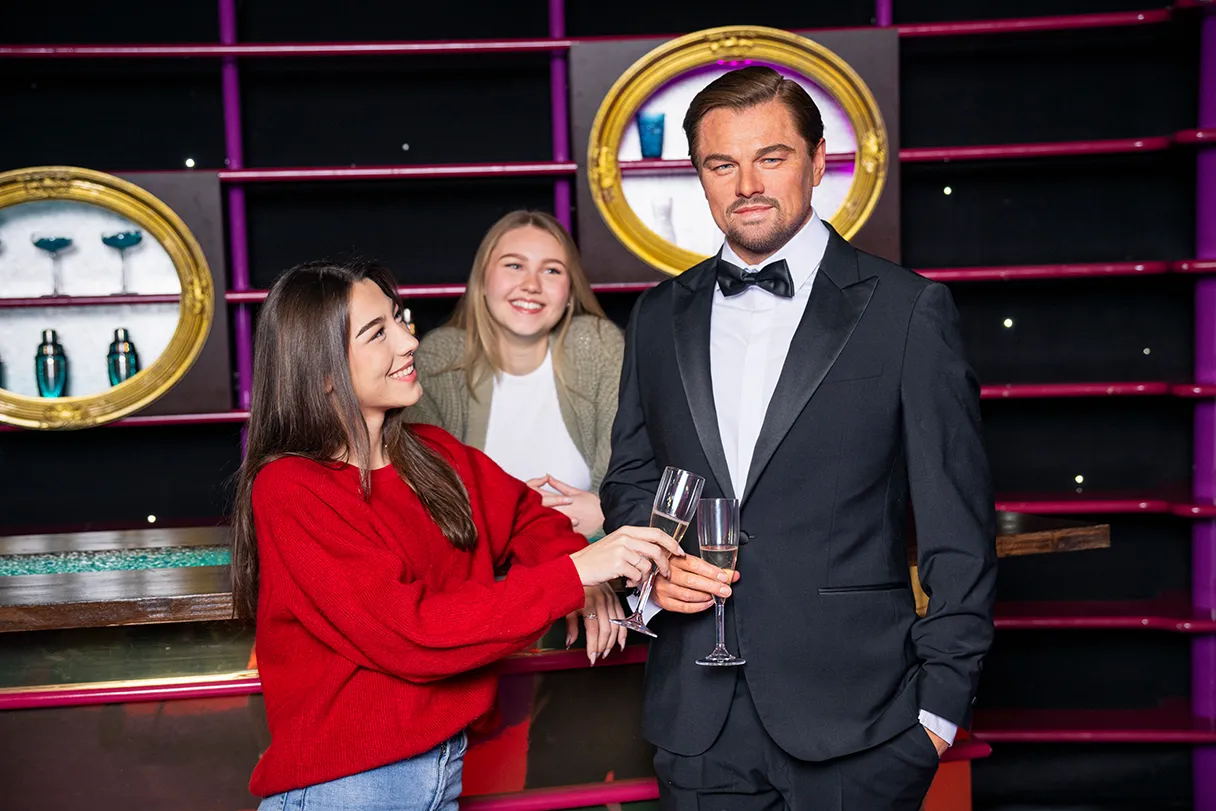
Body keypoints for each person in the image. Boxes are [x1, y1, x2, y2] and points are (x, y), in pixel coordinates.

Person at [600, 66, 997, 810]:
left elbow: (958, 530)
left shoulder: (908, 310)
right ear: (701, 177)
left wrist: (939, 711)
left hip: (863, 726)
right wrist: (653, 575)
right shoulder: (656, 315)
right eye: (722, 164)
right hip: (697, 722)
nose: (746, 182)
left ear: (818, 162)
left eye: (771, 156)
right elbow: (630, 476)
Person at [229, 260, 681, 811]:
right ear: (320, 371)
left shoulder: (432, 456)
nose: (409, 340)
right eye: (378, 332)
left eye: (401, 320)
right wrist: (576, 573)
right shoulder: (291, 488)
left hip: (439, 769)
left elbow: (527, 516)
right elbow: (411, 633)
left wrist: (582, 583)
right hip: (348, 789)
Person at [409, 212, 622, 539]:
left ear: (569, 294)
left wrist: (597, 547)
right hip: (485, 580)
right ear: (482, 280)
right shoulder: (440, 358)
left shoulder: (597, 344)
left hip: (591, 563)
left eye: (551, 270)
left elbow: (622, 490)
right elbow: (430, 503)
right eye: (514, 265)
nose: (531, 285)